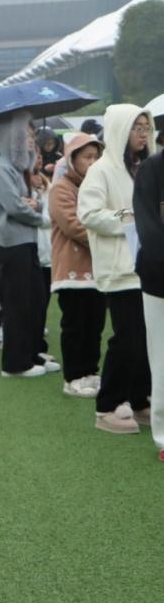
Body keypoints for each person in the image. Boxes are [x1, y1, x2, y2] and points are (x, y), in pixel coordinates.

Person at [78, 105, 154, 434]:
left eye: (146, 127)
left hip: (147, 265)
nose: (143, 133)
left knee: (148, 339)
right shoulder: (102, 170)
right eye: (136, 127)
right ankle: (107, 406)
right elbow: (89, 214)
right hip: (119, 269)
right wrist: (127, 217)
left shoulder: (146, 167)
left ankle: (139, 401)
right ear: (120, 129)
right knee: (128, 339)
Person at [0, 111, 54, 378]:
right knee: (17, 304)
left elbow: (28, 202)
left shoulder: (18, 168)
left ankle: (30, 353)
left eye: (31, 134)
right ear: (9, 137)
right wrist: (40, 217)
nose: (30, 139)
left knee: (33, 300)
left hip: (25, 240)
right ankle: (14, 364)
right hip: (11, 243)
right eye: (24, 134)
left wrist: (34, 205)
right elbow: (15, 207)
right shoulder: (3, 168)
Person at [49, 133, 106, 399]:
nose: (92, 162)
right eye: (87, 157)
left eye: (96, 157)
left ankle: (90, 372)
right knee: (75, 325)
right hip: (71, 270)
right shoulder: (61, 188)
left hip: (98, 268)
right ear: (73, 159)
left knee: (95, 324)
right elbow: (73, 225)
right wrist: (108, 233)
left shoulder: (96, 187)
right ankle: (72, 377)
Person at [132, 114, 164, 458]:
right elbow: (149, 229)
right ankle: (163, 436)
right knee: (162, 357)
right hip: (159, 279)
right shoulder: (152, 170)